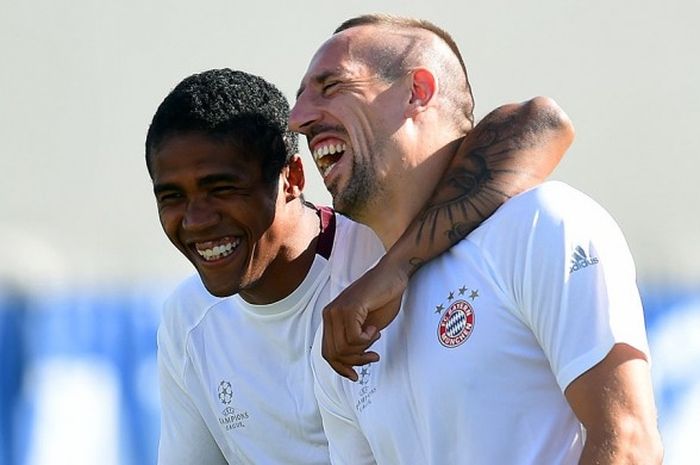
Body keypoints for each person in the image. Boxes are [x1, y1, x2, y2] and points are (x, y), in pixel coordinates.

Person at [289, 14, 663, 465]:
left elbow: (627, 444)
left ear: (417, 92)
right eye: (301, 98)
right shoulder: (343, 319)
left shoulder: (541, 225)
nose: (299, 119)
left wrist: (396, 268)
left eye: (331, 87)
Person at [146, 68, 570, 463]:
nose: (196, 219)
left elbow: (540, 122)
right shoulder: (188, 320)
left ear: (293, 178)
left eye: (222, 188)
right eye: (172, 197)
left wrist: (393, 270)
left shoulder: (386, 244)